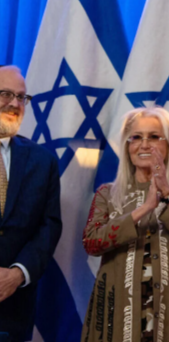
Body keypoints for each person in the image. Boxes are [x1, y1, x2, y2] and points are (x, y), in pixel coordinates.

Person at [81, 107, 169, 342]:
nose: (144, 144)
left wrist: (167, 194)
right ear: (127, 146)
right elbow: (92, 243)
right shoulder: (107, 194)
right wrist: (144, 208)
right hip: (116, 313)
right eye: (137, 137)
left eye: (154, 137)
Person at [0, 65, 62, 342]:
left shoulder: (43, 162)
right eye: (5, 94)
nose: (15, 104)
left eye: (21, 97)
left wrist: (17, 274)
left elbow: (48, 227)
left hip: (14, 309)